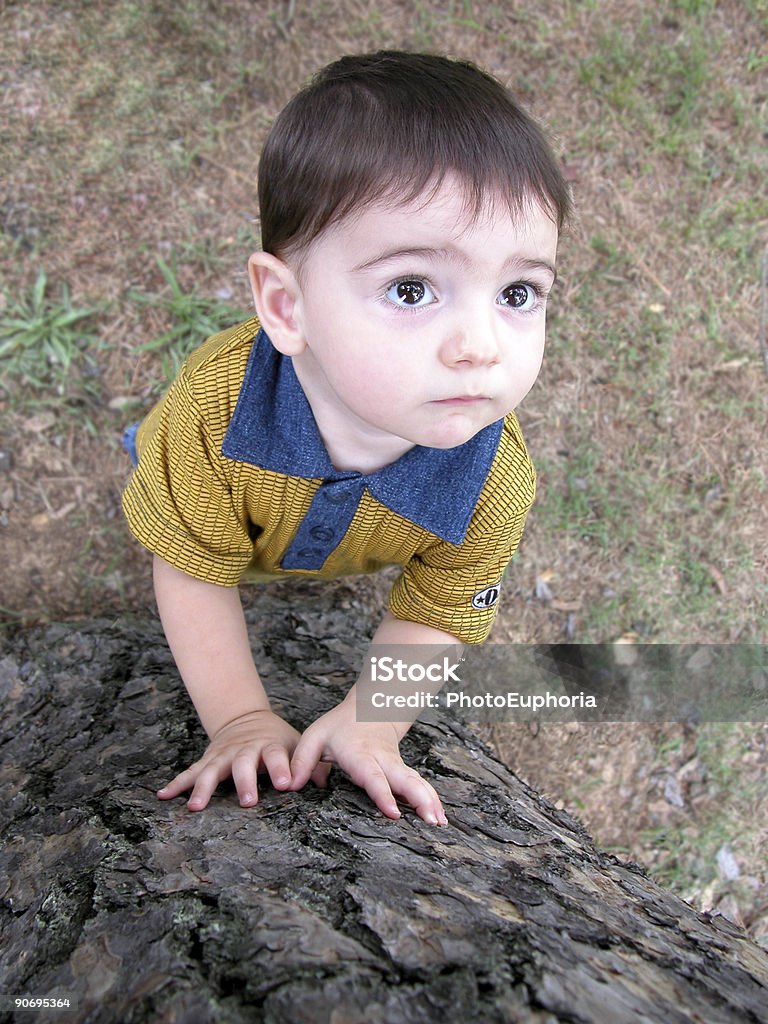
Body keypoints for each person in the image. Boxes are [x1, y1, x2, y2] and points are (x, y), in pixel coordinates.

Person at [122, 50, 571, 827]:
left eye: (517, 292)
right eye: (411, 288)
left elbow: (442, 604)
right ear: (287, 307)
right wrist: (239, 720)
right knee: (190, 519)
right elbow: (191, 570)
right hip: (223, 514)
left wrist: (373, 720)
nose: (481, 344)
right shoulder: (216, 409)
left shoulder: (491, 479)